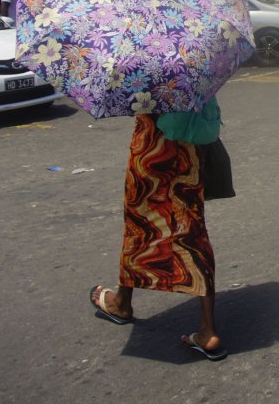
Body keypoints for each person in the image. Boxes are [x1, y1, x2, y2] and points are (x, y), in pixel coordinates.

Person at [89, 104, 228, 361]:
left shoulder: (144, 66)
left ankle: (121, 303)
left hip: (151, 150)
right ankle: (208, 331)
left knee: (140, 226)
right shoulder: (195, 66)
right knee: (192, 233)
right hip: (189, 150)